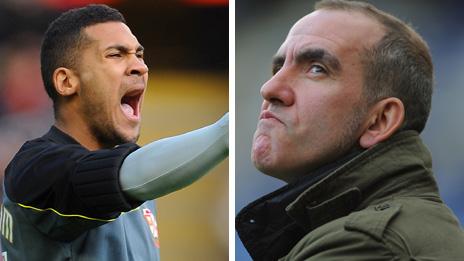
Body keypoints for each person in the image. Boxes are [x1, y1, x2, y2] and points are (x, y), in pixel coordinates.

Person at [236, 0, 464, 260]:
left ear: (380, 120)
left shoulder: (365, 243)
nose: (269, 89)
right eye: (278, 68)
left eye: (316, 69)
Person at [0, 4, 228, 260]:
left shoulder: (138, 190)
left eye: (139, 55)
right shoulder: (35, 170)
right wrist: (226, 132)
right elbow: (122, 174)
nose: (140, 67)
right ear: (66, 82)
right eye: (115, 55)